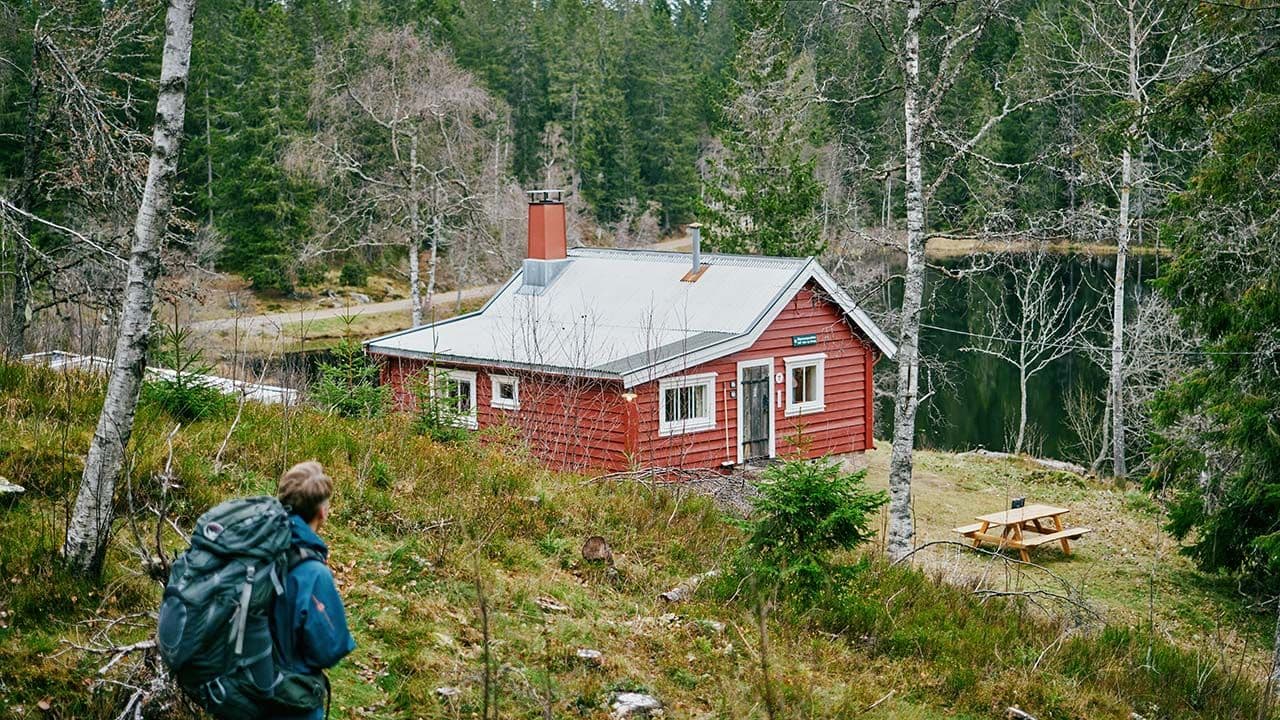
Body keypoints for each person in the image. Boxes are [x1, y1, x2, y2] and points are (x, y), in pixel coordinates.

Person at [271, 461, 357, 720]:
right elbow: (330, 648)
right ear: (322, 512)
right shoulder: (312, 573)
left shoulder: (254, 549)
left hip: (242, 696)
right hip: (290, 702)